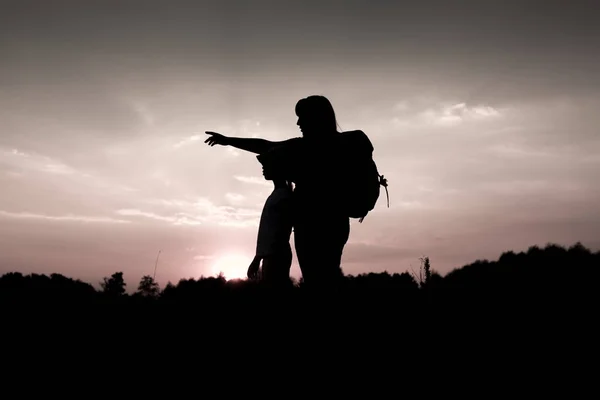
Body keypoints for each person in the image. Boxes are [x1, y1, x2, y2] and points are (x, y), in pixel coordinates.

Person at [205, 95, 350, 289]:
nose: (298, 122)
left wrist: (229, 141)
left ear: (317, 117)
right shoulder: (339, 146)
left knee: (318, 282)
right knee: (326, 278)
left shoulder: (304, 147)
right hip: (336, 223)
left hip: (312, 226)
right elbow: (265, 146)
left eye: (302, 117)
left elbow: (265, 145)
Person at [246, 152, 294, 288]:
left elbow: (276, 233)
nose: (263, 168)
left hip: (276, 255)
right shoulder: (280, 194)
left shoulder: (283, 196)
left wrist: (258, 258)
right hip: (273, 255)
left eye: (266, 165)